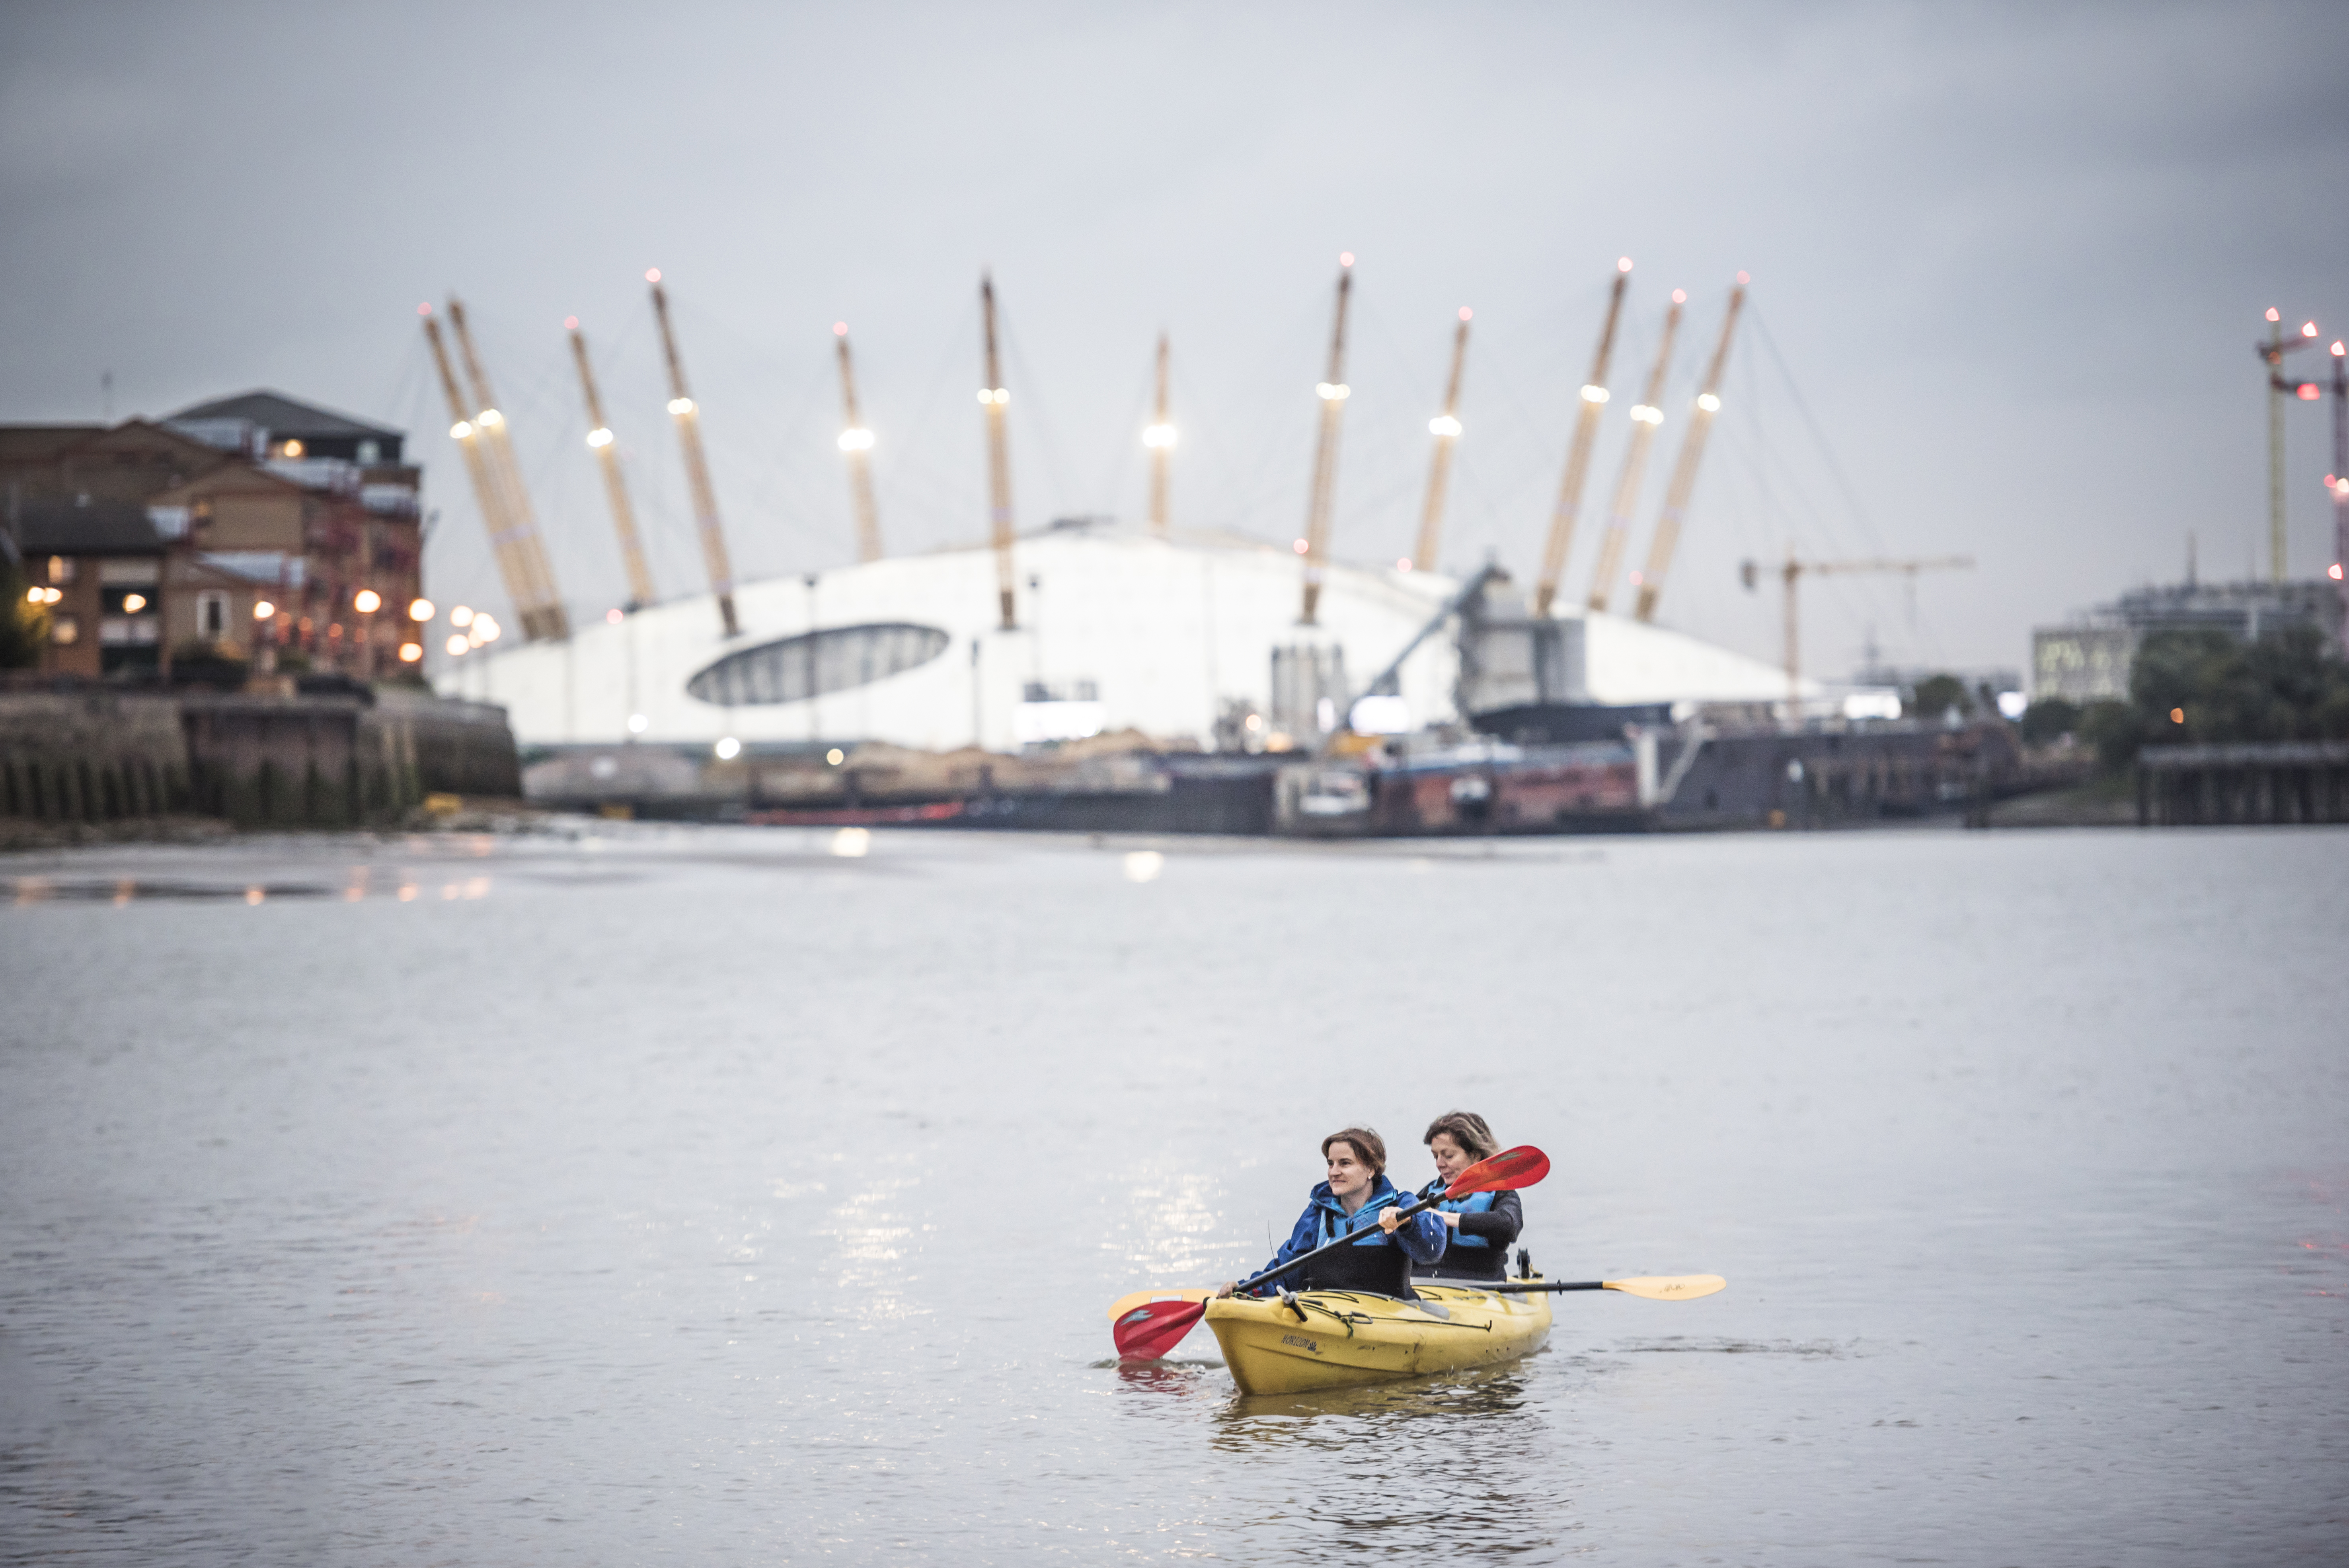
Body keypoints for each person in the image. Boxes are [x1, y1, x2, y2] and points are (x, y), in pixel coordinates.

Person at [1215, 1127, 1446, 1299]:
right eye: (1330, 1163)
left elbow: (1432, 1251)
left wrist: (1407, 1223)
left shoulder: (1401, 1203)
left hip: (1390, 1313)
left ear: (1370, 1169)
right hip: (1330, 1314)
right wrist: (1247, 1289)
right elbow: (1288, 1269)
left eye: (1345, 1164)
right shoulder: (1318, 1213)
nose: (1334, 1172)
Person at [1412, 1110, 1522, 1283]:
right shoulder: (1431, 1193)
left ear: (1476, 1155)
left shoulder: (1500, 1193)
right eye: (1436, 1156)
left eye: (1448, 1156)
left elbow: (1509, 1227)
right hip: (1425, 1283)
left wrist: (1444, 1217)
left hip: (1480, 1284)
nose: (1439, 1164)